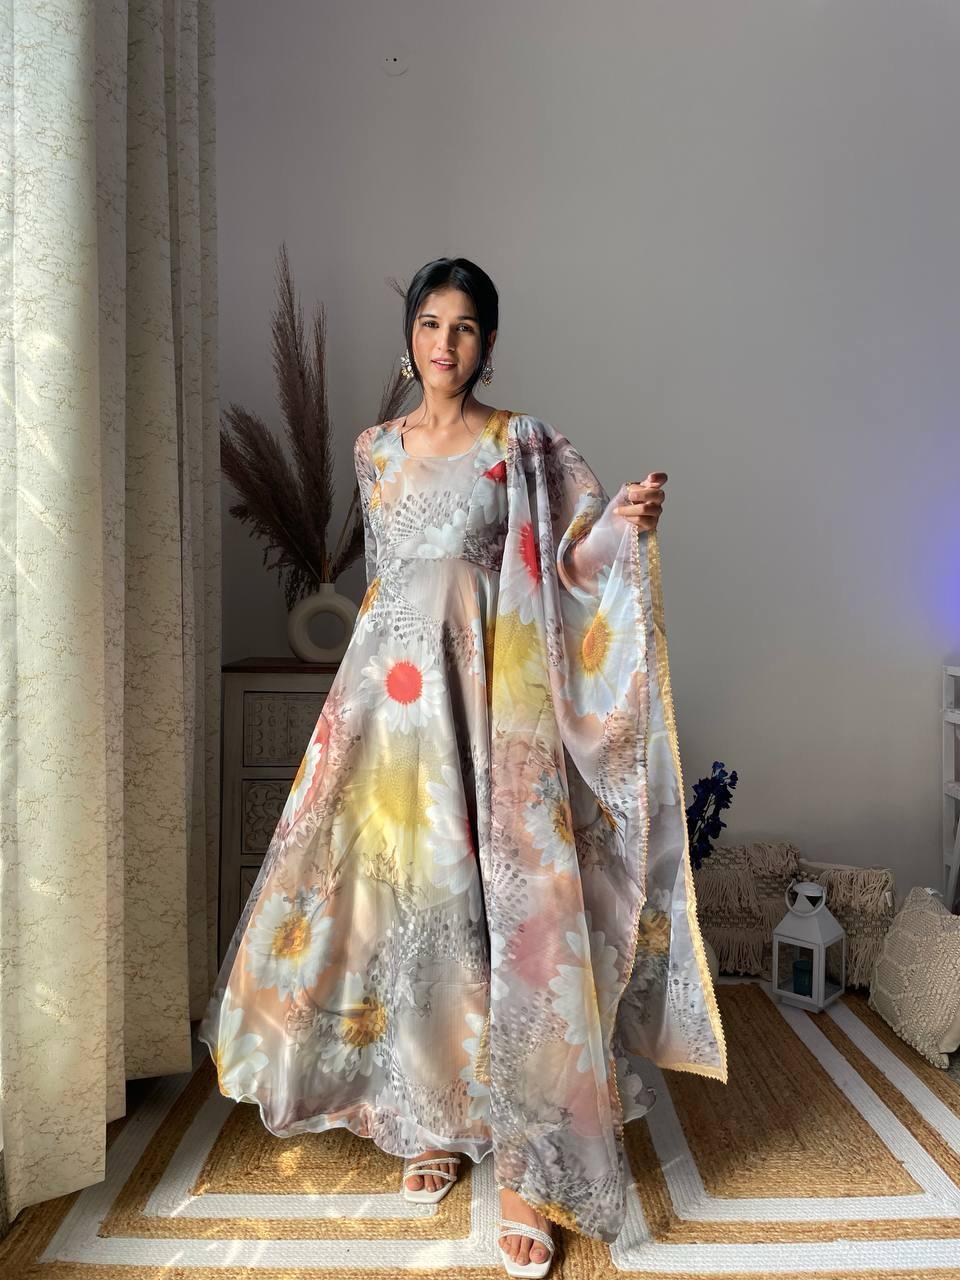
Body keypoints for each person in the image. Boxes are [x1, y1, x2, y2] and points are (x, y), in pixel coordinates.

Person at [199, 257, 727, 1279]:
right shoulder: (374, 449)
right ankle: (429, 1117)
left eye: (467, 326)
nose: (447, 342)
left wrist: (622, 524)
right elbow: (392, 580)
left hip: (497, 704)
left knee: (506, 916)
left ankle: (527, 1166)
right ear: (410, 338)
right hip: (390, 708)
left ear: (489, 343)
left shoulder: (519, 443)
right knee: (410, 907)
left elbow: (571, 560)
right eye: (431, 323)